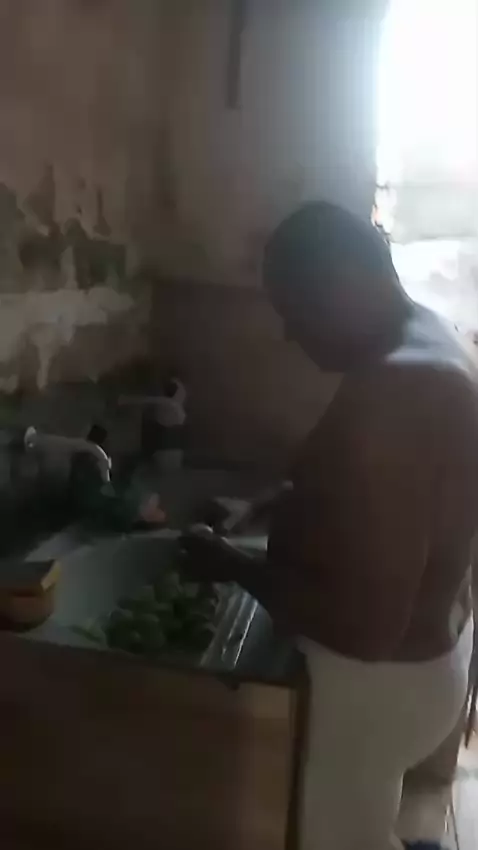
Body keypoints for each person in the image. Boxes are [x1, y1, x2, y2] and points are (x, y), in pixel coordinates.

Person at [181, 202, 478, 850]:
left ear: (345, 281)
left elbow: (365, 627)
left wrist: (232, 564)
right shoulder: (434, 339)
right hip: (428, 664)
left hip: (375, 686)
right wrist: (272, 504)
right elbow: (387, 497)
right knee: (364, 824)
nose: (290, 334)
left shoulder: (396, 394)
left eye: (294, 308)